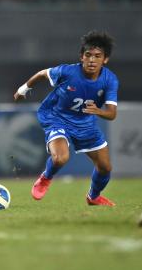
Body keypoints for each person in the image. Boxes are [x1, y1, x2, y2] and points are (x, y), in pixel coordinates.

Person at [14, 30, 118, 206]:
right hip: (56, 118)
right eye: (88, 55)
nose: (92, 60)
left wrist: (98, 111)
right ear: (81, 57)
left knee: (105, 168)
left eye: (97, 56)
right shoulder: (67, 72)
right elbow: (41, 74)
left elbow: (112, 113)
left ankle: (93, 197)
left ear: (105, 59)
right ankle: (45, 178)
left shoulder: (110, 80)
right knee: (60, 158)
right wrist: (23, 89)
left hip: (86, 124)